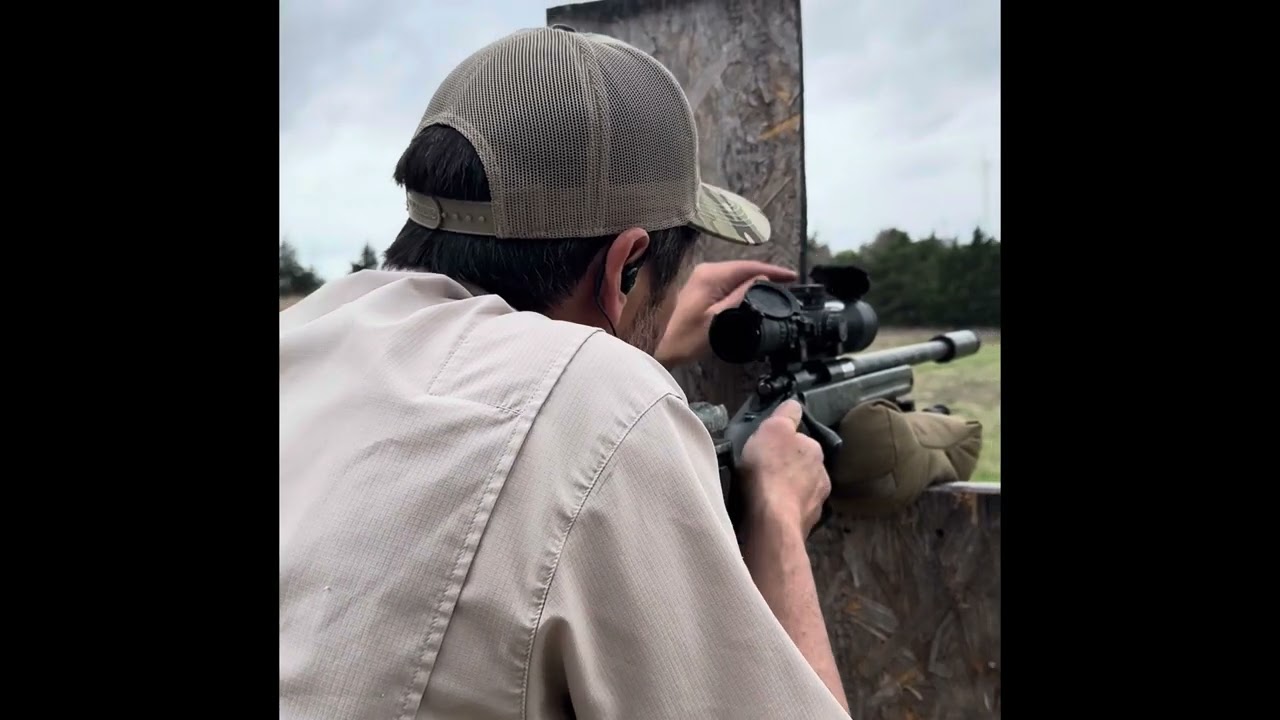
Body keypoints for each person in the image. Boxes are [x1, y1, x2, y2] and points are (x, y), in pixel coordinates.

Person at [280, 25, 851, 719]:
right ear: (625, 266)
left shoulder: (309, 333)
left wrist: (635, 327)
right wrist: (779, 518)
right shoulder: (604, 400)